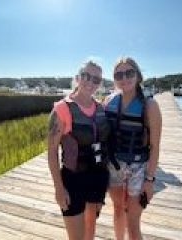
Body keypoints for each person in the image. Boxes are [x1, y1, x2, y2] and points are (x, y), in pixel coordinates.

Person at [48, 61, 110, 240]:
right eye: (86, 76)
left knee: (90, 233)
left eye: (96, 79)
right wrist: (59, 188)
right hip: (73, 180)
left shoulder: (100, 108)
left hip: (96, 178)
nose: (90, 82)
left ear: (100, 83)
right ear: (77, 78)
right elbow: (52, 152)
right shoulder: (62, 109)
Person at [104, 57, 162, 240]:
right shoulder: (108, 101)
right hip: (114, 165)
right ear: (114, 79)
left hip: (138, 168)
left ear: (137, 75)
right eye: (119, 74)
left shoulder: (149, 105)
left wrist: (150, 179)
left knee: (133, 220)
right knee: (118, 210)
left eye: (129, 73)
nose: (124, 78)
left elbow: (155, 146)